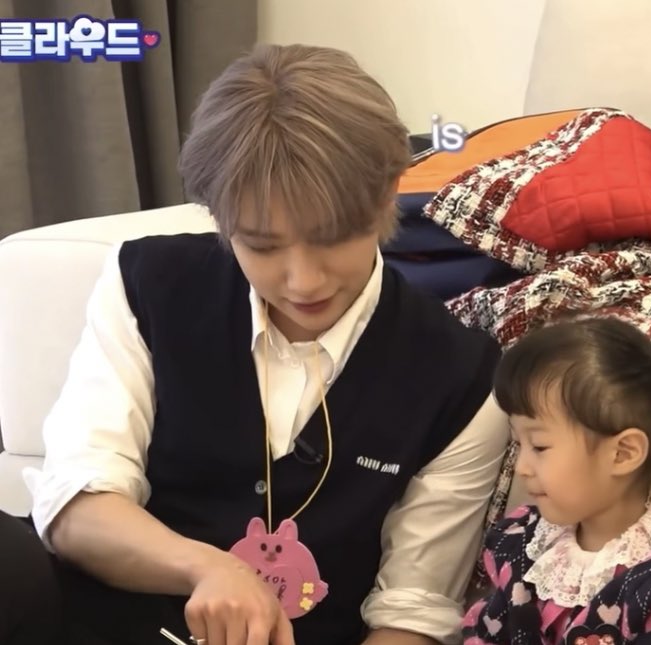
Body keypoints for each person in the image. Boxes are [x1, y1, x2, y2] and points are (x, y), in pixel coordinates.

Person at [0, 44, 510, 645]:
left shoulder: (461, 376)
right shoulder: (149, 283)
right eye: (263, 246)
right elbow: (77, 504)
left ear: (385, 197)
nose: (304, 281)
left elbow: (411, 613)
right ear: (219, 219)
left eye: (334, 237)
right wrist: (209, 568)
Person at [462, 317, 651, 645]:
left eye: (539, 446)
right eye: (518, 443)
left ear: (622, 454)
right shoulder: (522, 539)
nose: (521, 468)